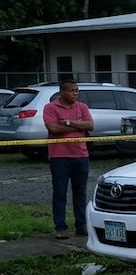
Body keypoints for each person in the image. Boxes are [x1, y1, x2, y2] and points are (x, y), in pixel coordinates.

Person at [42, 79, 94, 239]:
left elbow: (90, 125)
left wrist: (70, 123)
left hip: (81, 155)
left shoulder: (82, 107)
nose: (75, 93)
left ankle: (81, 225)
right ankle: (60, 227)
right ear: (62, 92)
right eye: (72, 91)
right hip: (59, 157)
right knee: (60, 193)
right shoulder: (50, 108)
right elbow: (53, 128)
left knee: (80, 193)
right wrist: (78, 125)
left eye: (77, 90)